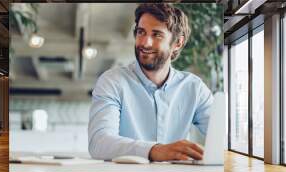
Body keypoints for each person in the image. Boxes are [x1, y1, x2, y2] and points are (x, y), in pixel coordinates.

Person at [88, 3, 213, 162]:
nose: (145, 43)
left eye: (157, 34)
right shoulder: (112, 82)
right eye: (141, 32)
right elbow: (99, 143)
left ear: (177, 43)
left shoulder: (195, 88)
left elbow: (222, 135)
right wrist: (154, 151)